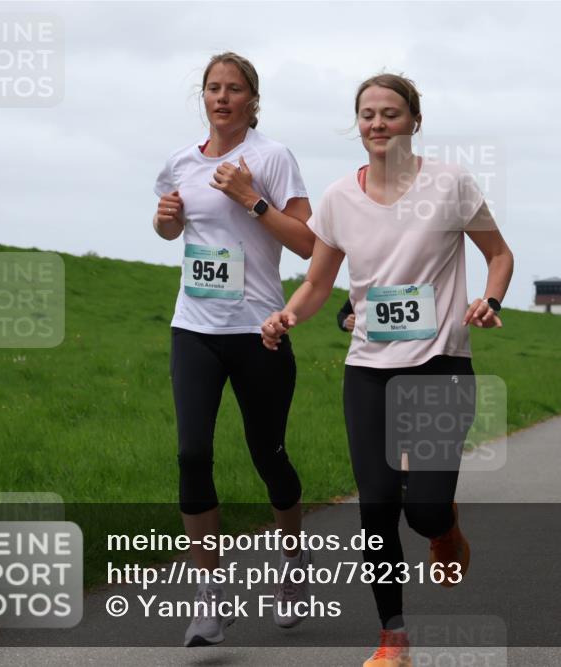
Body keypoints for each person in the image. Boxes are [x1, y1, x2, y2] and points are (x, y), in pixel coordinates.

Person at [260, 73, 514, 667]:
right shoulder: (337, 199)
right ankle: (392, 637)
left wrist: (491, 300)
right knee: (375, 506)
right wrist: (288, 315)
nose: (378, 124)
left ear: (414, 121)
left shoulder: (450, 183)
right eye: (368, 114)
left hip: (440, 365)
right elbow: (319, 282)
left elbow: (498, 254)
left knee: (422, 511)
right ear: (358, 124)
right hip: (369, 368)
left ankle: (444, 523)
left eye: (391, 113)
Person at [152, 52, 316, 646]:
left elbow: (306, 243)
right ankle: (210, 596)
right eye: (213, 88)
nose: (222, 98)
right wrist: (166, 219)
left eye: (234, 89)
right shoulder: (179, 162)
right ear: (203, 97)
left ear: (253, 99)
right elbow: (174, 229)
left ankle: (293, 568)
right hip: (194, 326)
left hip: (258, 329)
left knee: (268, 455)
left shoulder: (271, 158)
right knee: (192, 455)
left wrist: (252, 197)